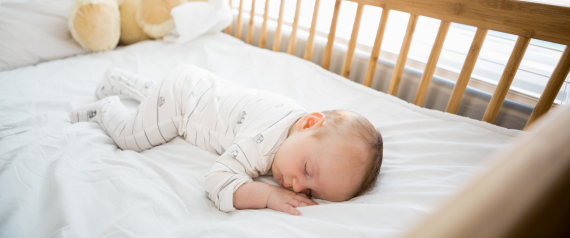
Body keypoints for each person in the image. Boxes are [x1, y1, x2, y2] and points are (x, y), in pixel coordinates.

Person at [70, 65, 383, 216]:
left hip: (191, 83)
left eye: (312, 191)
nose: (297, 186)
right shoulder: (263, 141)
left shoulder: (300, 127)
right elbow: (217, 180)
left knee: (156, 100)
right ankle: (107, 108)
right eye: (306, 169)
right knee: (131, 138)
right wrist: (268, 196)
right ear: (309, 123)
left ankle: (120, 79)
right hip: (183, 104)